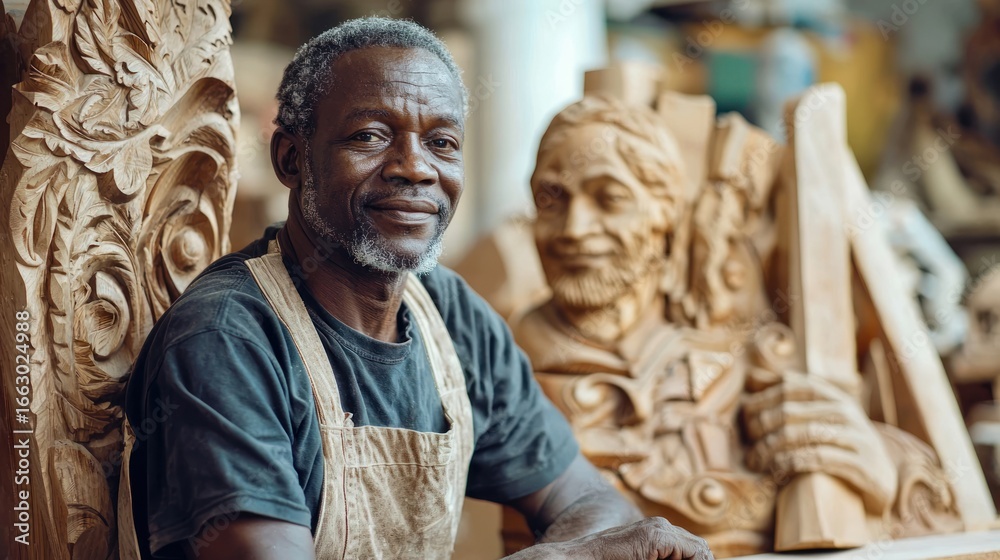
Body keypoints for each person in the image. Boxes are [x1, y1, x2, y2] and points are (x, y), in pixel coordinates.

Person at [124, 17, 714, 560]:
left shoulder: (450, 317)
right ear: (290, 158)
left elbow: (590, 503)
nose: (415, 167)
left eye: (442, 142)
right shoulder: (225, 341)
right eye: (371, 136)